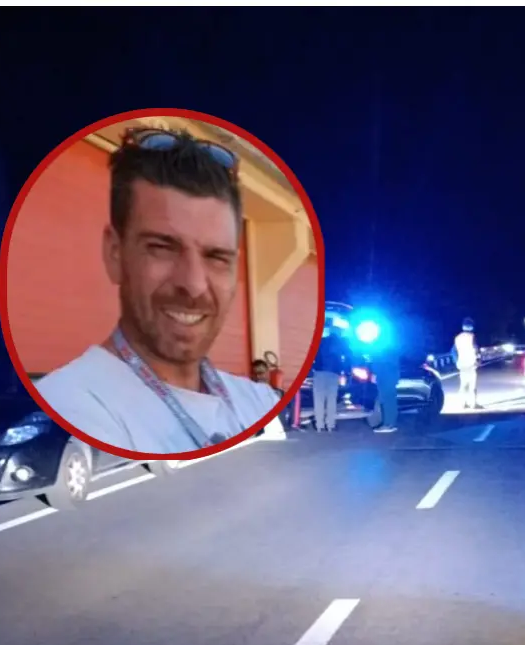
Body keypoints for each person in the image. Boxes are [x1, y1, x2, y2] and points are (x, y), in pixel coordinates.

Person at [35, 127, 279, 454]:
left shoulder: (259, 402)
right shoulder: (71, 410)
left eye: (216, 257)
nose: (193, 285)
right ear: (115, 253)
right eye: (162, 248)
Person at [312, 324, 350, 432]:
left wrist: (313, 368)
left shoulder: (321, 341)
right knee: (332, 400)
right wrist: (345, 371)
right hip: (334, 373)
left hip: (319, 372)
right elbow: (347, 357)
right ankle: (330, 425)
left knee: (319, 399)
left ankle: (319, 425)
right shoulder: (342, 343)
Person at [452, 317, 481, 410]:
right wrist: (478, 360)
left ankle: (463, 403)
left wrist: (457, 361)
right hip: (471, 363)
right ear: (472, 326)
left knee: (463, 384)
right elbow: (476, 349)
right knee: (472, 384)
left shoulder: (458, 338)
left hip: (461, 364)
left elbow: (453, 351)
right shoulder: (472, 337)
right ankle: (474, 404)